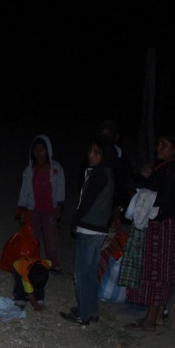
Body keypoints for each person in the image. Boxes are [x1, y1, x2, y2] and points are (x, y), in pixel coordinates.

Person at [124, 131, 175, 332]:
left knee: (157, 271)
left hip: (162, 224)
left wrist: (149, 178)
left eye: (164, 144)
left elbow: (164, 198)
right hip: (168, 224)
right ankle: (158, 316)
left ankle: (149, 321)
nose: (159, 148)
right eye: (158, 144)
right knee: (164, 270)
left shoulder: (174, 170)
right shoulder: (172, 168)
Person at [60, 136, 116, 326]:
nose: (91, 155)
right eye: (90, 151)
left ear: (104, 155)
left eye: (96, 153)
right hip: (99, 230)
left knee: (81, 273)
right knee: (90, 272)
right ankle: (90, 310)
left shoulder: (98, 174)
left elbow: (87, 202)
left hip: (89, 228)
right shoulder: (107, 173)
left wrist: (75, 220)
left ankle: (83, 314)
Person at [16, 134, 66, 272]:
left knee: (50, 239)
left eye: (42, 149)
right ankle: (31, 262)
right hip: (34, 209)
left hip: (50, 209)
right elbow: (24, 190)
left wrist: (59, 207)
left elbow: (61, 188)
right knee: (32, 237)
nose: (39, 152)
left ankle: (53, 263)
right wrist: (21, 209)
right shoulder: (30, 170)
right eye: (36, 149)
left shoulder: (56, 169)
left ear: (48, 150)